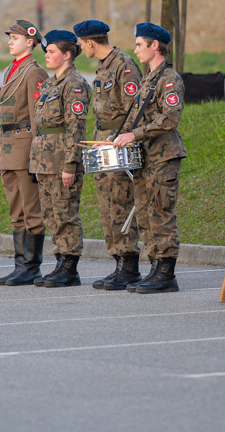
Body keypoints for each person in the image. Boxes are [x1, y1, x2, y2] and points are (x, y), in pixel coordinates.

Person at [113, 22, 186, 294]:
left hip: (163, 156)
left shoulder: (169, 79)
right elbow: (137, 116)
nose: (135, 50)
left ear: (155, 46)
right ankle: (155, 267)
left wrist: (135, 134)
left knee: (160, 213)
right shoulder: (148, 78)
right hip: (145, 157)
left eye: (139, 45)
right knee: (144, 214)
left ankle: (167, 273)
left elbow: (170, 117)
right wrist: (121, 136)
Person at [74, 19, 143, 290]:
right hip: (104, 143)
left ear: (90, 42)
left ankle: (129, 266)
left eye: (82, 43)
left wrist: (118, 139)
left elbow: (134, 109)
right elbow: (102, 113)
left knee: (121, 203)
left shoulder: (123, 65)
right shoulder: (103, 66)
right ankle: (118, 263)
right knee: (107, 206)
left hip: (118, 144)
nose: (82, 48)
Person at [29, 30, 90, 287]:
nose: (47, 56)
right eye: (46, 52)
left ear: (67, 55)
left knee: (65, 213)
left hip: (61, 160)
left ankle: (70, 267)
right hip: (44, 160)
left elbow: (76, 129)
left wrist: (70, 165)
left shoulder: (74, 83)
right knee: (51, 214)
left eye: (52, 52)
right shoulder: (50, 84)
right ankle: (59, 261)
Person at [0, 20, 48, 286]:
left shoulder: (33, 72)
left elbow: (39, 116)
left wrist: (36, 155)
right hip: (8, 147)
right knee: (16, 210)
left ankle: (31, 267)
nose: (9, 41)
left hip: (25, 145)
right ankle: (19, 265)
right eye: (9, 37)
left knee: (31, 209)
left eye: (14, 38)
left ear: (30, 41)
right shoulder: (9, 70)